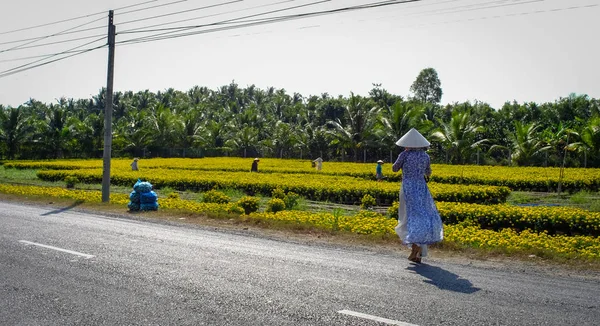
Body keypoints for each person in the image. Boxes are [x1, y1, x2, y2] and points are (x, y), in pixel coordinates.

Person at [392, 128, 443, 263]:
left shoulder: (405, 155)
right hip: (421, 187)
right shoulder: (426, 156)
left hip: (408, 187)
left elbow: (394, 168)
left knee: (407, 216)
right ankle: (419, 250)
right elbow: (428, 172)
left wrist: (402, 161)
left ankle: (415, 246)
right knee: (422, 215)